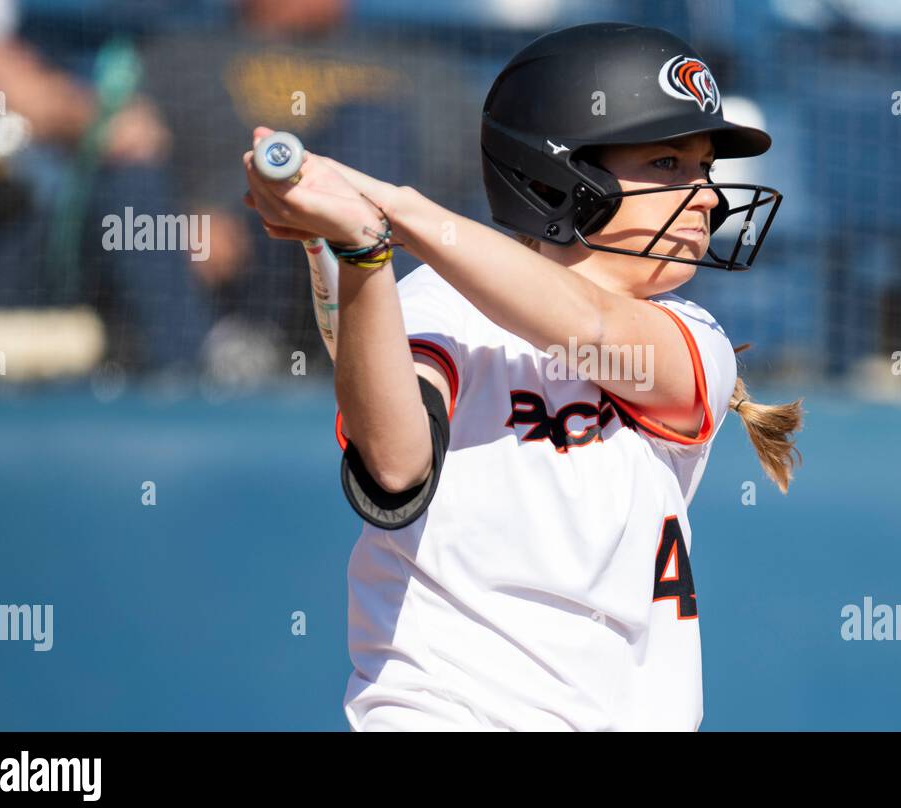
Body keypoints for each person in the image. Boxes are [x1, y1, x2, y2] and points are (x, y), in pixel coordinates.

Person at [242, 22, 802, 731]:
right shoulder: (433, 306)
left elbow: (590, 328)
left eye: (704, 169)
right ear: (557, 177)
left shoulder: (698, 338)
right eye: (668, 164)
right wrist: (361, 251)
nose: (707, 197)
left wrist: (394, 212)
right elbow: (394, 465)